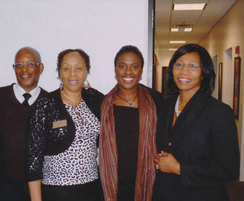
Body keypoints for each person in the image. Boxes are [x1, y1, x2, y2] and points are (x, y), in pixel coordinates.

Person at [152, 44, 240, 201]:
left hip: (202, 195)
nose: (184, 71)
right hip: (165, 192)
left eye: (192, 66)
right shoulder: (164, 107)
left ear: (204, 73)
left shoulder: (219, 112)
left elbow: (229, 169)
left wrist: (180, 169)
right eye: (179, 65)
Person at [27, 49, 104, 201]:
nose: (72, 74)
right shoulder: (45, 105)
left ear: (86, 71)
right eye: (66, 68)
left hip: (92, 190)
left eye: (78, 68)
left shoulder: (97, 100)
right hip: (57, 192)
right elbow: (33, 161)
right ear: (60, 72)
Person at [99, 45, 163, 201]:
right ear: (115, 70)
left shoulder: (156, 100)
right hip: (113, 183)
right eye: (122, 66)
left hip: (148, 182)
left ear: (141, 71)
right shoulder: (103, 104)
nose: (128, 72)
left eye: (134, 67)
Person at [0, 47, 48, 201]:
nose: (24, 69)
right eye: (18, 65)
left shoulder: (50, 102)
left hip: (41, 186)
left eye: (30, 64)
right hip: (5, 186)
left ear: (40, 68)